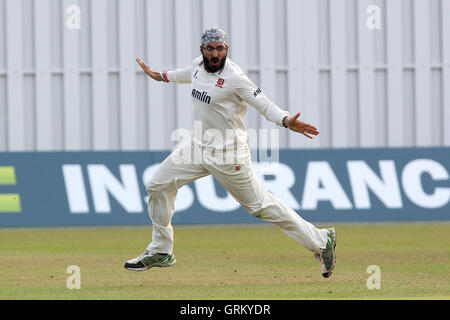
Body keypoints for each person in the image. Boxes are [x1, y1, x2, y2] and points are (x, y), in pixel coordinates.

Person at [124, 27, 337, 278]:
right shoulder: (197, 67)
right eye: (210, 48)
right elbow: (183, 75)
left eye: (220, 48)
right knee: (157, 186)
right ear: (202, 50)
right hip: (198, 147)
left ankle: (322, 240)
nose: (215, 53)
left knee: (260, 206)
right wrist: (158, 75)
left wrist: (287, 120)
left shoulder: (235, 77)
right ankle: (161, 250)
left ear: (227, 49)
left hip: (229, 154)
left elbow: (265, 106)